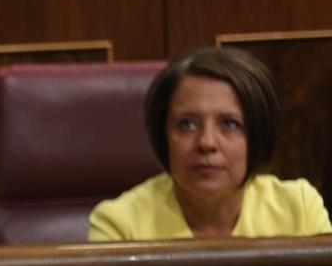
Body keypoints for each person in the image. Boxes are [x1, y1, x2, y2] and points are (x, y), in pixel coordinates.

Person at [89, 46, 331, 241]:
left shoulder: (299, 208)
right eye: (187, 124)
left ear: (257, 135)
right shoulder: (120, 225)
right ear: (163, 135)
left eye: (230, 124)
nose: (206, 143)